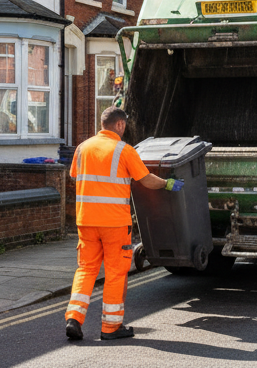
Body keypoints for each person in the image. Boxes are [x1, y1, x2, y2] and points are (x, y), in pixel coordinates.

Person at [65, 107, 183, 342]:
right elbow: (146, 180)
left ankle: (74, 319)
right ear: (119, 125)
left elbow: (74, 176)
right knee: (115, 273)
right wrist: (168, 184)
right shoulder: (124, 150)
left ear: (102, 123)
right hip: (114, 224)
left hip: (86, 221)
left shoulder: (82, 148)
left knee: (86, 269)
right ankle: (110, 327)